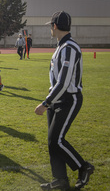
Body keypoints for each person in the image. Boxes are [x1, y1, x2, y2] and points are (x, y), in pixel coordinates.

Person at [35, 11, 94, 190]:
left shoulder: (69, 47)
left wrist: (45, 103)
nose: (50, 30)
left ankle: (84, 167)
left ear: (55, 26)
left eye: (50, 27)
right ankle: (60, 179)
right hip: (58, 99)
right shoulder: (62, 46)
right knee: (53, 142)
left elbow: (64, 82)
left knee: (57, 140)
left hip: (69, 99)